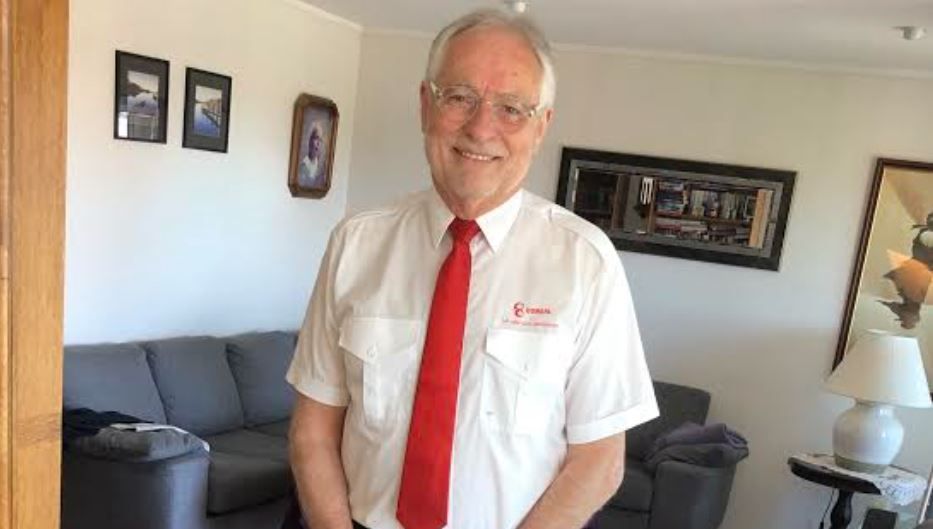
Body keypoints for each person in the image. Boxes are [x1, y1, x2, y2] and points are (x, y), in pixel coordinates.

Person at [286, 8, 658, 529]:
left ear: (541, 126)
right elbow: (313, 430)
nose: (482, 128)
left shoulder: (585, 262)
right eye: (459, 97)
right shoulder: (356, 244)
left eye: (511, 108)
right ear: (425, 105)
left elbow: (599, 461)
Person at [299, 121, 326, 188]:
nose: (318, 143)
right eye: (316, 138)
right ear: (310, 140)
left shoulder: (321, 166)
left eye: (320, 140)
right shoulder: (304, 166)